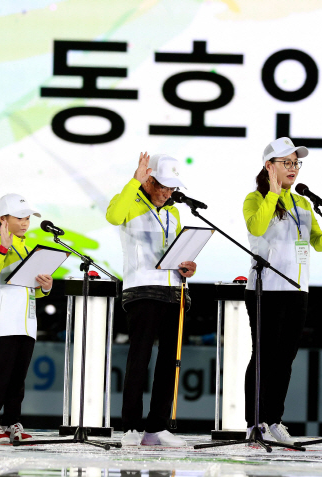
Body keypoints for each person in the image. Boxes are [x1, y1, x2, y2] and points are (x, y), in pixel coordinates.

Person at [243, 137, 322, 445]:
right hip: (266, 287)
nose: (293, 169)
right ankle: (255, 422)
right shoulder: (255, 198)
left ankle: (274, 420)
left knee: (285, 358)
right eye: (286, 163)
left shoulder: (302, 202)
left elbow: (316, 242)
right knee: (263, 356)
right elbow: (257, 228)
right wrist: (273, 195)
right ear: (269, 167)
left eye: (296, 163)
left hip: (297, 289)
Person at [106, 152, 196, 447]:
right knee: (139, 360)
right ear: (148, 180)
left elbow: (177, 252)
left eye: (172, 188)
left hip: (174, 291)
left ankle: (157, 427)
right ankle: (130, 427)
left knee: (170, 362)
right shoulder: (128, 202)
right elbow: (112, 216)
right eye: (162, 186)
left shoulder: (174, 212)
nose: (168, 193)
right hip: (142, 290)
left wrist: (188, 266)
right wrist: (134, 181)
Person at [0, 194, 53, 443]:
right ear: (3, 219)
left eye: (28, 218)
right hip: (4, 324)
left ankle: (11, 423)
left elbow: (30, 289)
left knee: (17, 379)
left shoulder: (26, 247)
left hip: (27, 325)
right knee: (0, 375)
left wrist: (45, 287)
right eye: (19, 217)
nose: (25, 222)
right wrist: (1, 246)